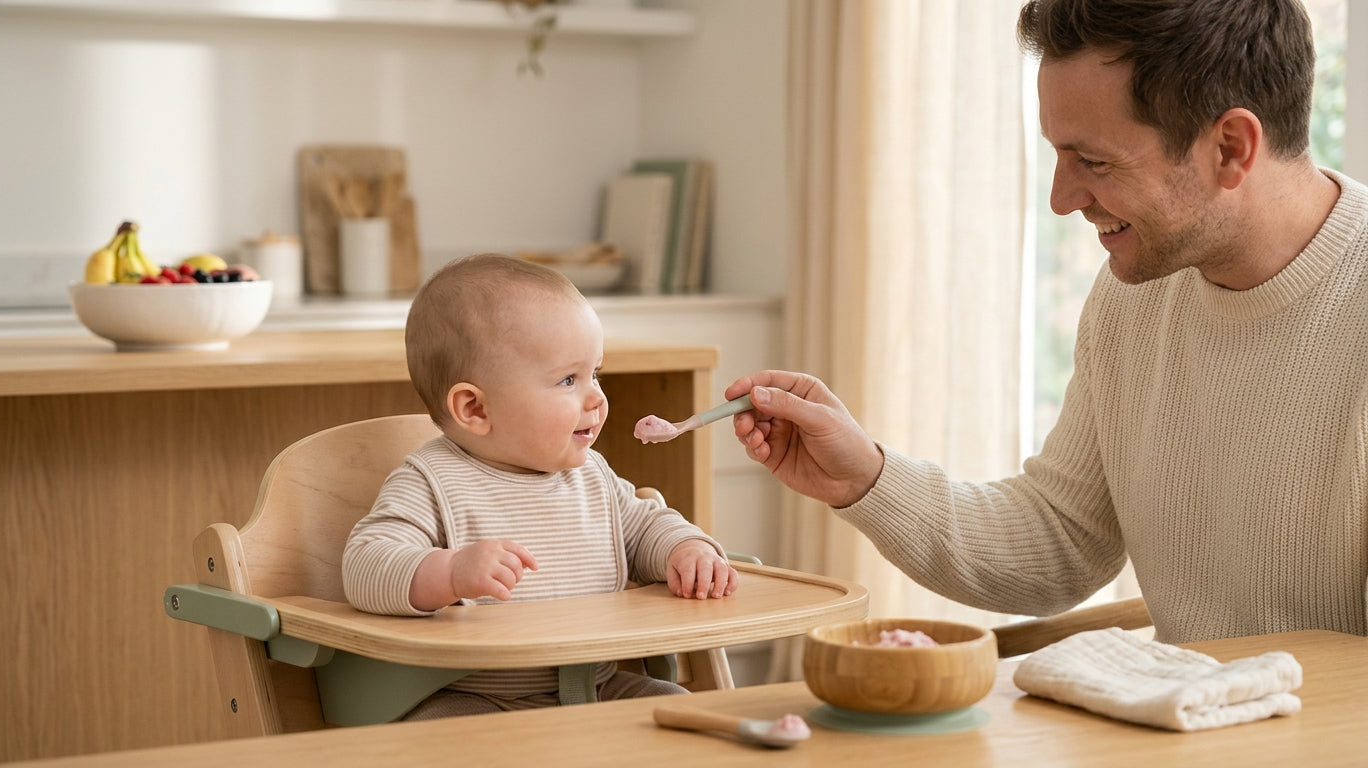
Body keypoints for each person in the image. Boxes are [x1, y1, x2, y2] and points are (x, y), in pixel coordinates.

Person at [726, 0, 1367, 645]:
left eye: (1094, 162)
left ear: (1230, 147)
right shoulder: (1136, 295)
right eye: (1060, 157)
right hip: (1190, 735)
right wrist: (865, 476)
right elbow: (1063, 537)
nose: (1062, 200)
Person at [344, 253, 738, 719]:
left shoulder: (590, 476)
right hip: (475, 697)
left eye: (596, 374)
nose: (596, 397)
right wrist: (448, 573)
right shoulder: (431, 481)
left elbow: (646, 526)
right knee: (433, 737)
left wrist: (686, 551)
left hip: (598, 686)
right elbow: (365, 565)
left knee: (681, 712)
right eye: (568, 379)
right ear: (475, 409)